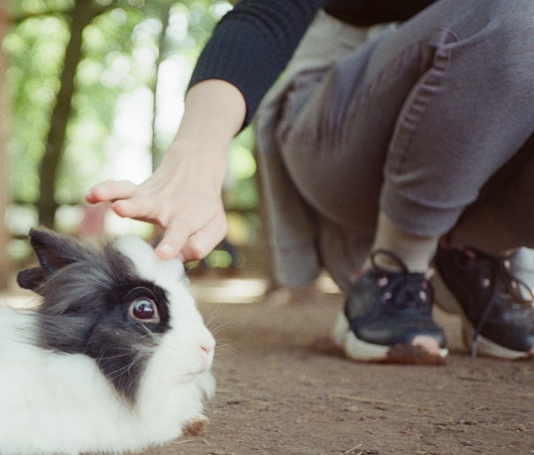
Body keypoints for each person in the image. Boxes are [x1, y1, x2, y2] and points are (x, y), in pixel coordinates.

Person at [86, 0, 534, 363]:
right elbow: (266, 15)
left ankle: (475, 247)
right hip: (336, 130)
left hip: (489, 164)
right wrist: (197, 153)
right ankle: (395, 268)